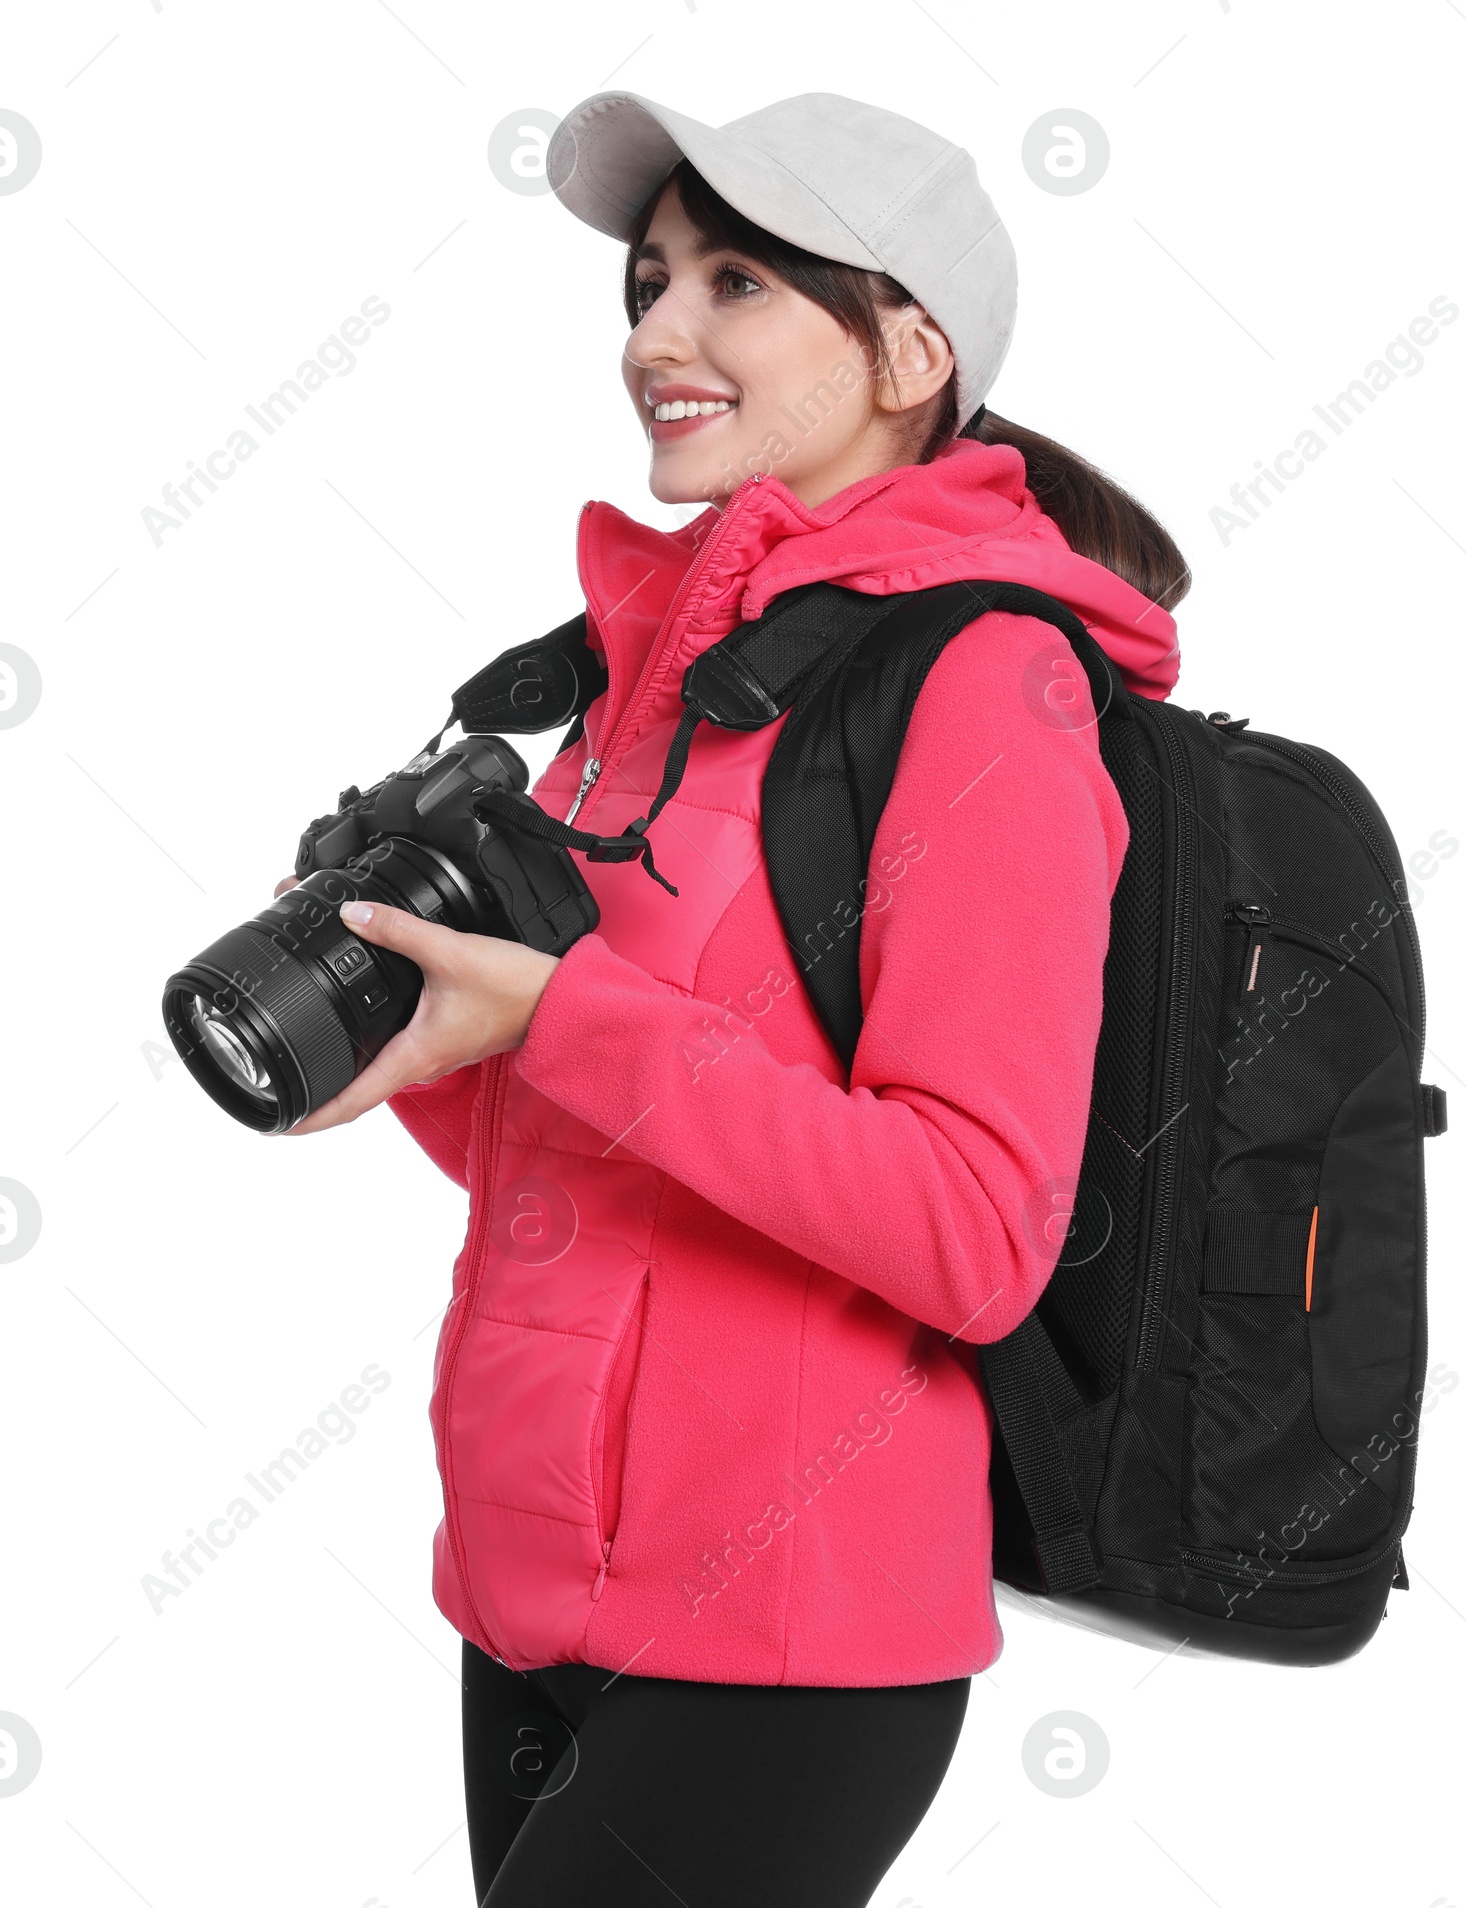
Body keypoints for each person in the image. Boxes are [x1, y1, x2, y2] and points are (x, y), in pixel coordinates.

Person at [283, 89, 1188, 1908]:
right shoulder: (651, 676)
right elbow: (621, 1162)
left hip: (787, 1633)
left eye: (737, 282)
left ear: (908, 352)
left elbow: (968, 1227)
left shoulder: (991, 682)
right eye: (647, 280)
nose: (655, 334)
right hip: (533, 1593)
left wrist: (558, 1017)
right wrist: (421, 1035)